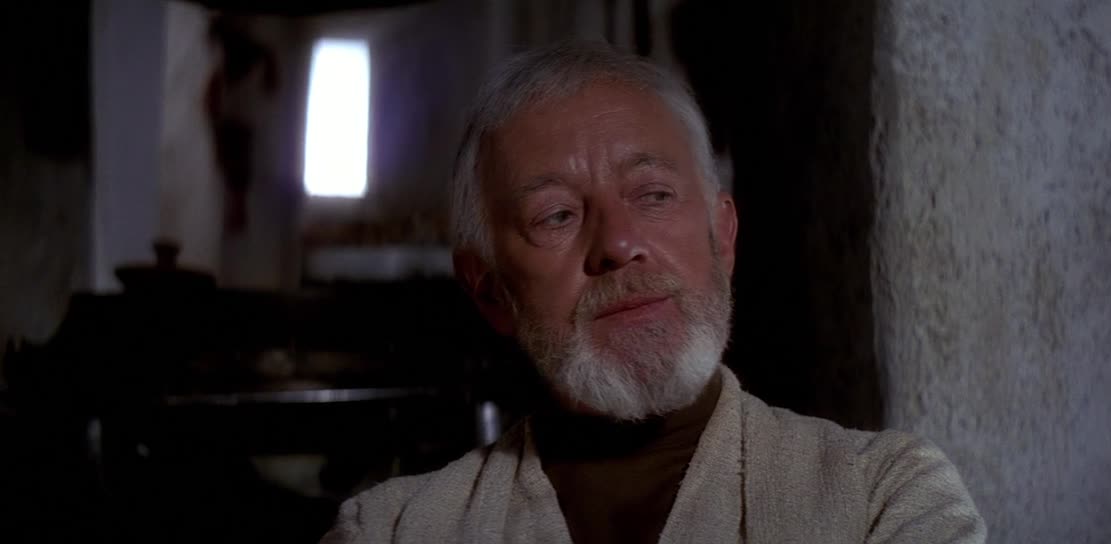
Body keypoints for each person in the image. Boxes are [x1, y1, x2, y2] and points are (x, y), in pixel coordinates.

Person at [321, 41, 985, 544]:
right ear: (490, 291)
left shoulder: (882, 499)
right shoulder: (392, 530)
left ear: (722, 236)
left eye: (654, 195)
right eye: (557, 215)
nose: (617, 243)